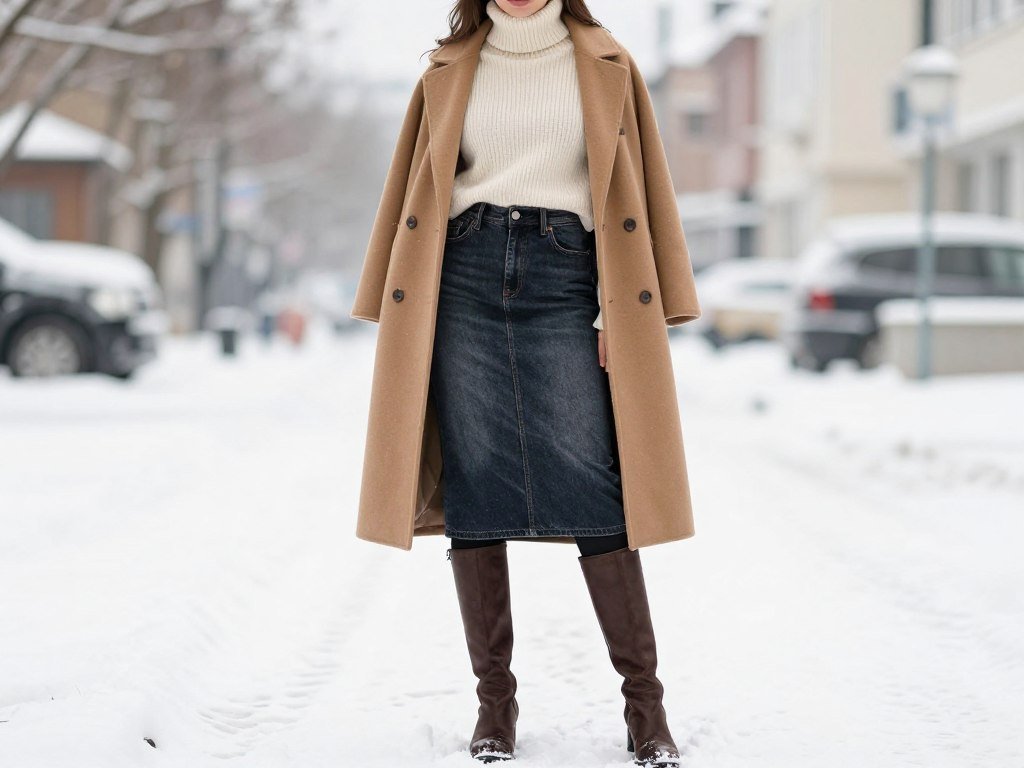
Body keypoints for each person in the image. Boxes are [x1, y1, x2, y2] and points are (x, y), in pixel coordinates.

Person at [350, 0, 702, 765]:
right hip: (464, 275)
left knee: (592, 475)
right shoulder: (447, 68)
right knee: (474, 479)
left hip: (568, 272)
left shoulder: (608, 62)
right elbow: (414, 189)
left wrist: (620, 309)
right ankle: (495, 708)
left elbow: (639, 187)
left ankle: (645, 707)